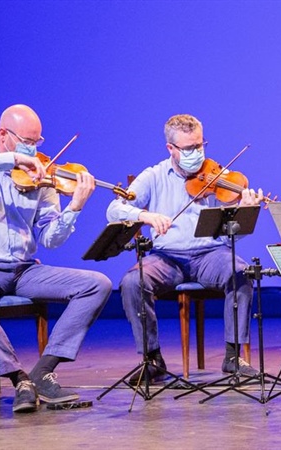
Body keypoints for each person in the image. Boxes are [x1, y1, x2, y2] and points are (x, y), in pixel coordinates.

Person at [0, 104, 112, 413]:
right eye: (27, 142)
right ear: (3, 135)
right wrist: (13, 159)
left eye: (37, 142)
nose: (33, 149)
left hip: (22, 270)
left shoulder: (40, 174)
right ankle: (17, 376)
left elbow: (50, 238)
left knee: (96, 284)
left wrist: (74, 208)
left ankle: (42, 371)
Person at [106, 113, 263, 383]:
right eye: (189, 149)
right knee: (133, 282)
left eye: (200, 146)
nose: (197, 154)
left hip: (210, 255)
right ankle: (152, 359)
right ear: (171, 149)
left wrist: (242, 212)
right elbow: (114, 209)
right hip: (167, 258)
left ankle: (233, 356)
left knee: (242, 272)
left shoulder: (219, 176)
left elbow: (229, 238)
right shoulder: (153, 176)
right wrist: (145, 216)